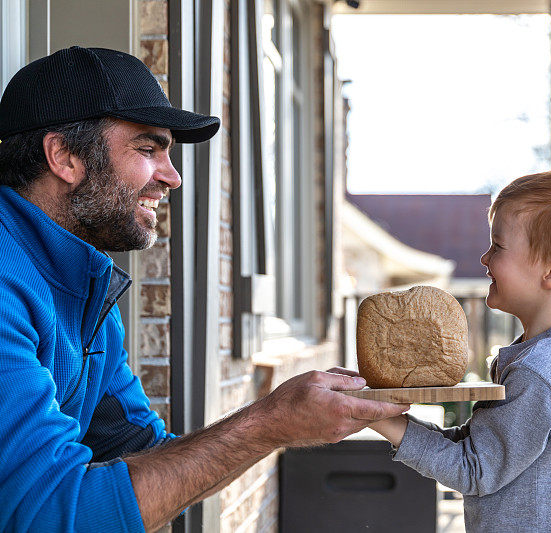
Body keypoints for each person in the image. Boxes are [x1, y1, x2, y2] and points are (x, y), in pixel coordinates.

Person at [0, 46, 407, 532]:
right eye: (148, 149)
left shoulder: (84, 288)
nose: (171, 176)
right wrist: (268, 424)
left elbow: (147, 455)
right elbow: (52, 513)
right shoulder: (8, 282)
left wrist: (282, 422)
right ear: (64, 157)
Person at [369, 169, 551, 532]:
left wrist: (377, 418)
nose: (485, 258)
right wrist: (380, 409)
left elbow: (475, 469)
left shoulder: (541, 372)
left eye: (499, 246)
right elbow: (479, 447)